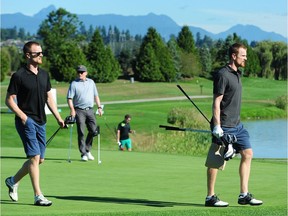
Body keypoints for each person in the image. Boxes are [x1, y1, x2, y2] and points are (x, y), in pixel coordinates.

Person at [5, 41, 65, 206]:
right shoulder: (19, 76)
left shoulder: (44, 75)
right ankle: (38, 195)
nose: (41, 56)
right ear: (28, 55)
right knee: (34, 157)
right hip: (26, 121)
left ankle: (13, 180)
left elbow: (48, 98)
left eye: (41, 53)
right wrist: (23, 116)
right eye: (37, 53)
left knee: (39, 160)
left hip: (41, 121)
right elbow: (9, 100)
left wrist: (58, 117)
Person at [204, 43, 263, 207]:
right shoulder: (223, 74)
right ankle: (210, 197)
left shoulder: (237, 74)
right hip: (224, 125)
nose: (245, 58)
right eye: (243, 55)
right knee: (216, 161)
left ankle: (244, 194)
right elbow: (216, 102)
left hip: (238, 125)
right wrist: (217, 126)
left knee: (248, 153)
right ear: (233, 56)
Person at [67, 65, 103, 161]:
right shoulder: (74, 84)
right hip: (79, 110)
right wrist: (72, 110)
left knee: (94, 130)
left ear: (86, 73)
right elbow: (69, 98)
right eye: (78, 72)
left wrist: (99, 107)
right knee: (81, 132)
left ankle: (87, 150)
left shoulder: (91, 82)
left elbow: (96, 96)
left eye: (82, 72)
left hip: (90, 110)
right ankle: (83, 154)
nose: (80, 74)